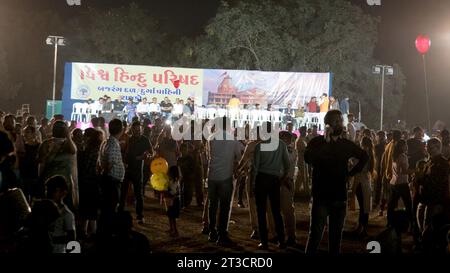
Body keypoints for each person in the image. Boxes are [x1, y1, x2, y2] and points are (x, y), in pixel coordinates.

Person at [304, 110, 368, 254]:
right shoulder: (317, 142)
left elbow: (364, 157)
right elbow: (308, 158)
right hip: (321, 196)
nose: (339, 123)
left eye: (340, 121)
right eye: (336, 121)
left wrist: (350, 174)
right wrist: (325, 142)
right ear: (327, 124)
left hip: (339, 197)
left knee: (336, 238)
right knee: (315, 235)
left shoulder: (345, 144)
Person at [251, 122, 290, 250]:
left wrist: (252, 184)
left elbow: (254, 168)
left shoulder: (259, 146)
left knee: (261, 212)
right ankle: (281, 240)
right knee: (276, 211)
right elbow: (287, 165)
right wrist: (282, 178)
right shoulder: (281, 145)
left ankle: (264, 242)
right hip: (275, 180)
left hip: (261, 179)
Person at [206, 117, 242, 247]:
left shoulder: (211, 138)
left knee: (212, 206)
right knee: (224, 207)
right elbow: (240, 156)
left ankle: (212, 232)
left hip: (212, 176)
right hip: (225, 176)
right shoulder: (233, 140)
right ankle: (222, 234)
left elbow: (208, 156)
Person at [417, 138, 450, 253]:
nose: (428, 149)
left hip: (434, 201)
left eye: (430, 147)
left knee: (429, 229)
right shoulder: (429, 161)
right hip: (425, 199)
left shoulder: (443, 163)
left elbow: (439, 184)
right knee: (423, 227)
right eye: (427, 147)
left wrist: (422, 179)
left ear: (438, 148)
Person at [37, 121, 78, 211]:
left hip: (49, 178)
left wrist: (40, 178)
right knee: (63, 207)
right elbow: (74, 151)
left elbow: (41, 164)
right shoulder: (69, 144)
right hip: (65, 180)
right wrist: (68, 136)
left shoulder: (45, 143)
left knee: (48, 207)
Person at [119, 121, 151, 224]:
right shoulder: (128, 139)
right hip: (127, 169)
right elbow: (124, 154)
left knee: (139, 194)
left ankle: (140, 216)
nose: (137, 132)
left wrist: (147, 155)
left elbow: (151, 151)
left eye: (139, 130)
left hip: (138, 171)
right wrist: (138, 157)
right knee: (123, 193)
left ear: (141, 129)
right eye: (135, 130)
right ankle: (120, 213)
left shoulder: (145, 140)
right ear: (132, 129)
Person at [98, 119, 125, 237]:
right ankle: (107, 233)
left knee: (108, 208)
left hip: (110, 179)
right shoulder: (113, 144)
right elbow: (109, 164)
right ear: (121, 129)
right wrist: (106, 176)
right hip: (111, 181)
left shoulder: (108, 142)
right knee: (110, 208)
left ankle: (105, 231)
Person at [78, 128, 103, 238]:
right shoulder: (97, 149)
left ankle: (88, 231)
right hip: (93, 182)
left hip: (88, 181)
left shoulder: (89, 149)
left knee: (88, 208)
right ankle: (91, 231)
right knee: (91, 209)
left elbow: (86, 167)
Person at [46, 176, 76, 253]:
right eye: (48, 190)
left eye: (54, 190)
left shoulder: (66, 214)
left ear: (64, 192)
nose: (49, 194)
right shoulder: (43, 208)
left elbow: (71, 240)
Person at [387, 139, 413, 227]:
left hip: (393, 183)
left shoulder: (394, 155)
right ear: (402, 147)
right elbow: (404, 171)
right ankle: (411, 224)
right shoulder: (403, 156)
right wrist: (416, 171)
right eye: (405, 145)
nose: (407, 146)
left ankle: (389, 223)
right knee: (408, 204)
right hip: (402, 183)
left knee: (391, 205)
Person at [353, 137, 375, 237]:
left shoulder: (362, 156)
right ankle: (362, 227)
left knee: (363, 207)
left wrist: (353, 189)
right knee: (365, 207)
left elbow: (357, 173)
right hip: (367, 182)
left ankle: (362, 227)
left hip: (361, 183)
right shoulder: (371, 155)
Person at [165, 166, 181, 237]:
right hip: (171, 200)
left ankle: (175, 230)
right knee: (169, 215)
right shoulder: (172, 181)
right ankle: (171, 228)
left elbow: (175, 192)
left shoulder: (175, 182)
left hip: (174, 200)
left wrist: (168, 192)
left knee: (172, 216)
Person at [374, 131, 387, 209]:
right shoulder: (386, 145)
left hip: (379, 167)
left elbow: (377, 158)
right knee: (383, 186)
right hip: (383, 168)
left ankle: (377, 202)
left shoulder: (378, 146)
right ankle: (382, 202)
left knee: (378, 185)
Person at [295, 126, 309, 195]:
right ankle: (301, 191)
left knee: (302, 176)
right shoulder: (299, 140)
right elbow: (303, 150)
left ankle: (300, 190)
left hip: (304, 159)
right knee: (302, 176)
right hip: (301, 159)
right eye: (305, 130)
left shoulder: (303, 139)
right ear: (301, 131)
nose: (306, 132)